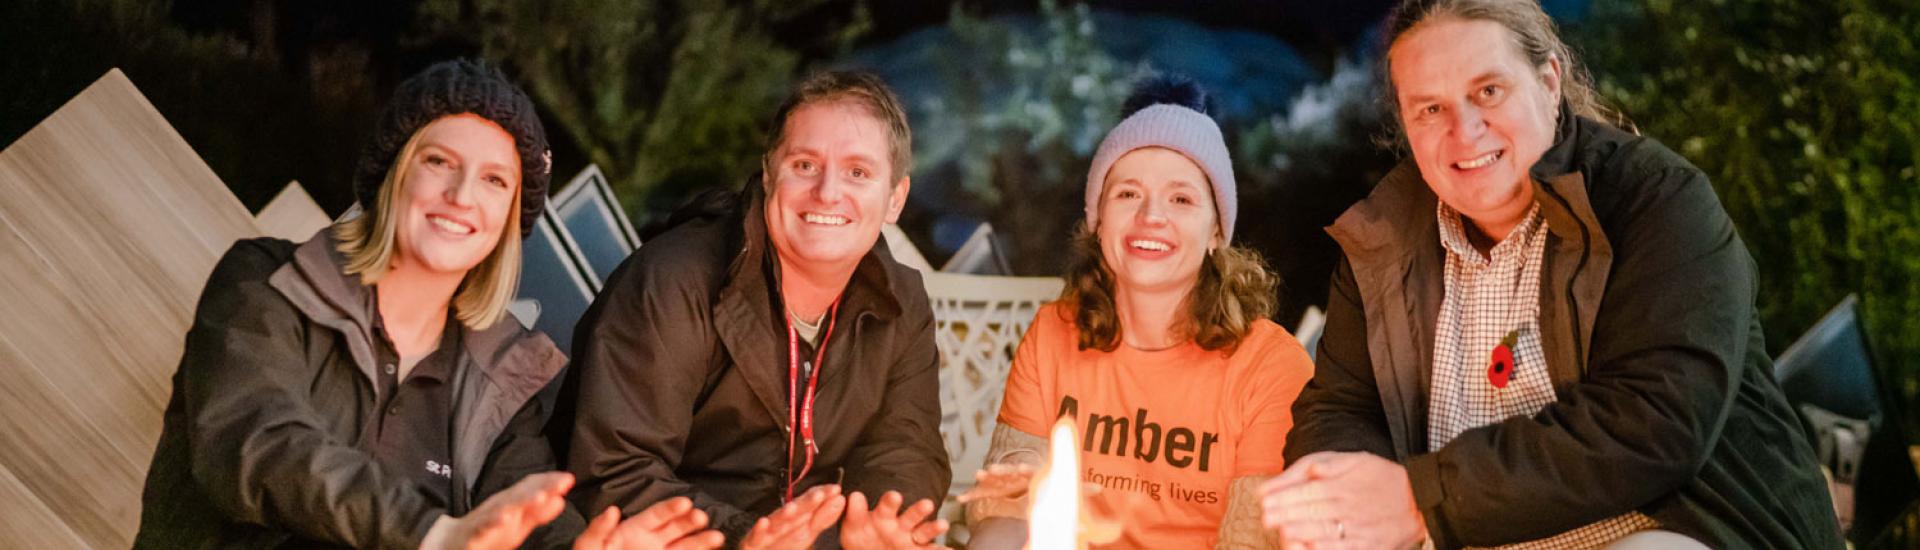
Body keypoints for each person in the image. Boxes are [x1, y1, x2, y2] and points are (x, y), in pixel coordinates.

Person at [1262, 1, 1843, 548]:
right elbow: (1339, 409)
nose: (1465, 130)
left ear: (1548, 81)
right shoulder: (1383, 240)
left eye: (1488, 91)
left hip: (1691, 530)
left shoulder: (1657, 202)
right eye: (1430, 108)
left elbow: (1654, 424)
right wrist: (1337, 496)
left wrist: (1418, 497)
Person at [136, 59, 722, 550]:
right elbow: (257, 447)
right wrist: (434, 534)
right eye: (438, 162)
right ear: (394, 174)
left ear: (509, 221)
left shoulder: (501, 372)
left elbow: (526, 520)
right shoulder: (268, 280)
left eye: (495, 180)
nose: (462, 196)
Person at [561, 70, 951, 549]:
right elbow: (613, 471)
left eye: (858, 172)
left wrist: (876, 524)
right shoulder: (674, 280)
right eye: (805, 165)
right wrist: (749, 538)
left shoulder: (902, 299)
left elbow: (905, 450)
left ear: (895, 199)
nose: (828, 192)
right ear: (769, 174)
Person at [960, 77, 1314, 550]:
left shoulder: (1271, 366)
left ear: (1215, 232)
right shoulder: (1052, 334)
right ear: (1098, 219)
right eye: (1128, 194)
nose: (1151, 217)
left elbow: (1252, 541)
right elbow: (1006, 511)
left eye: (1182, 199)